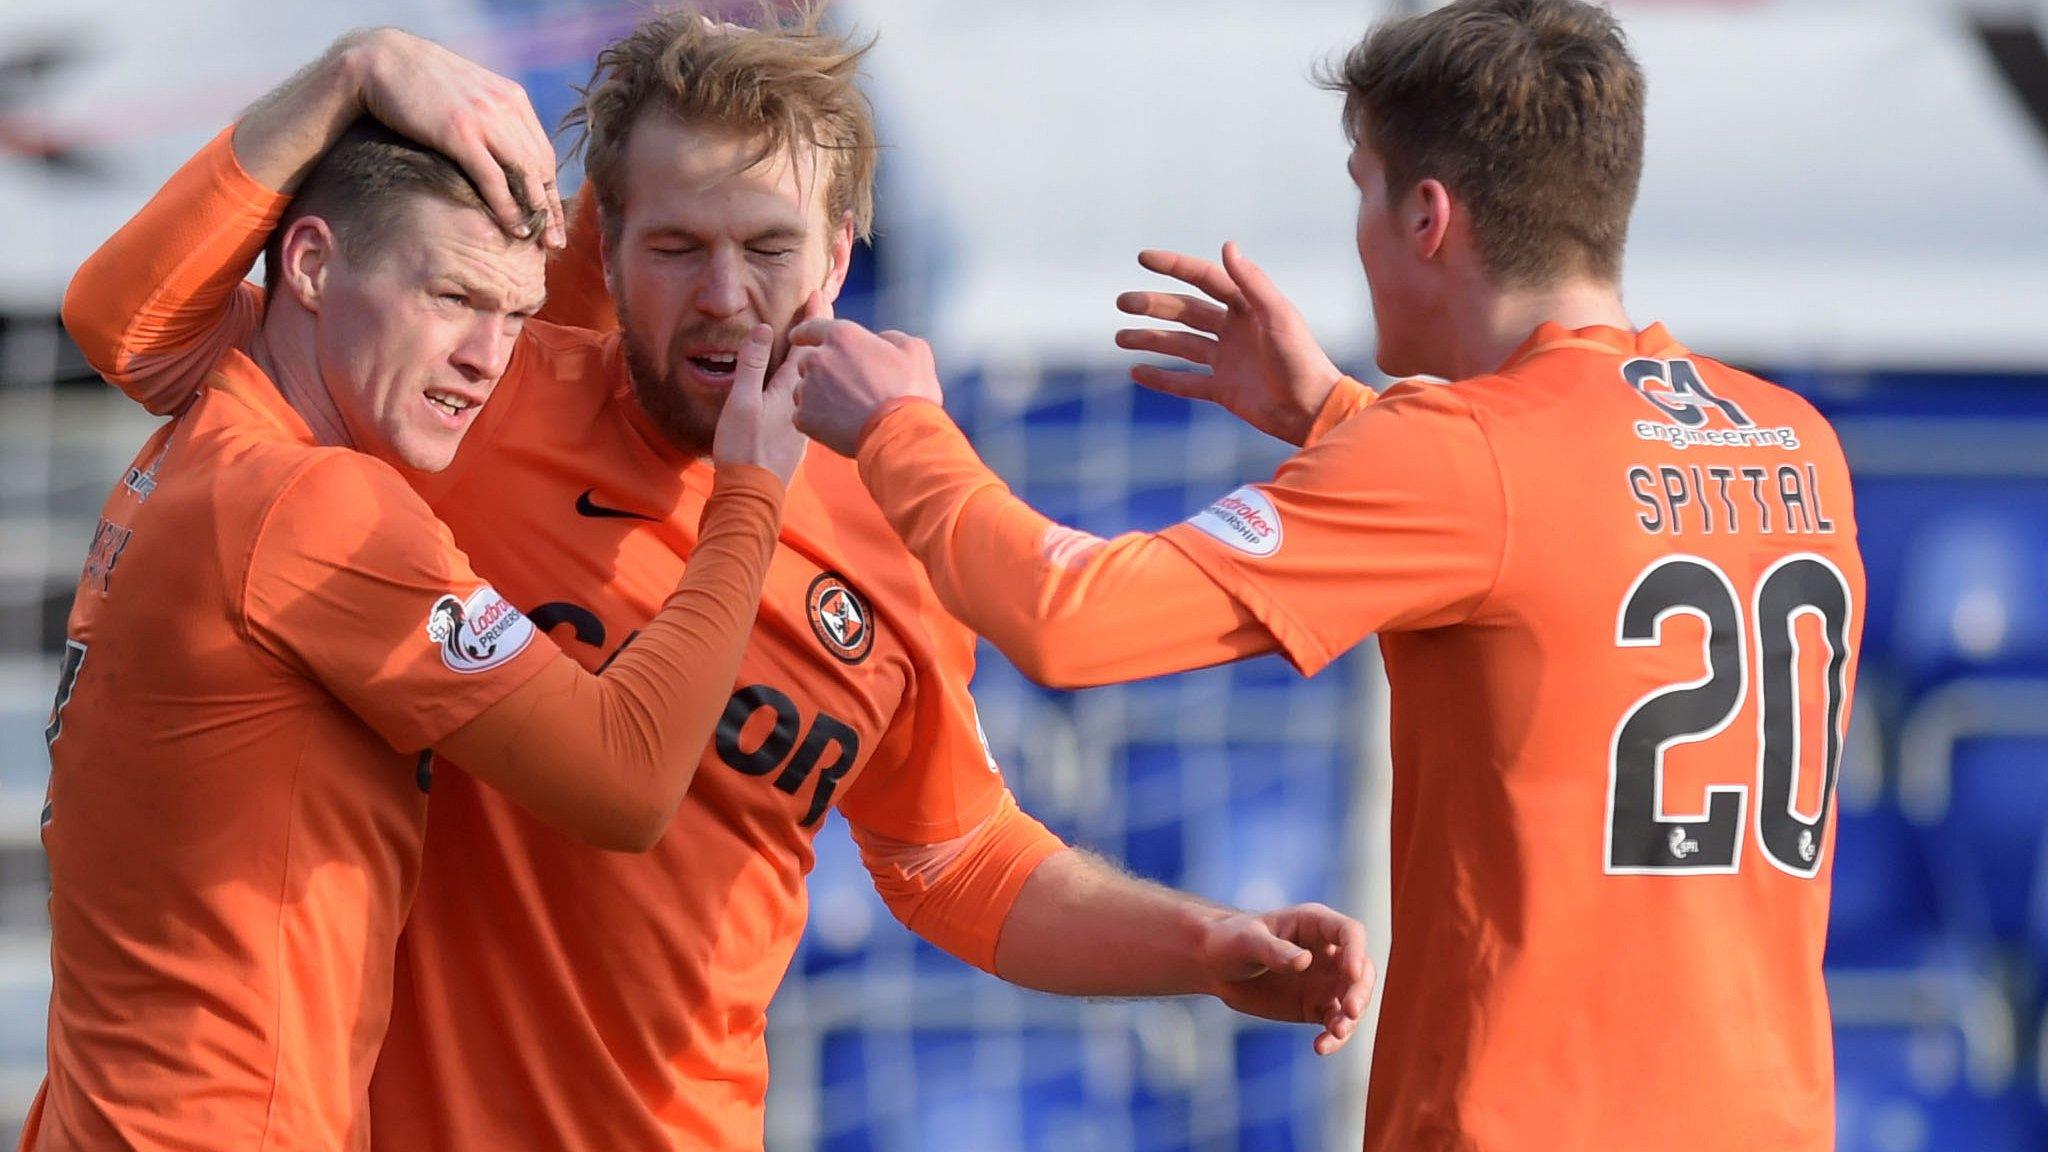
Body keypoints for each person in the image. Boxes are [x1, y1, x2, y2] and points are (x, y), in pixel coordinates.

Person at [60, 12, 1375, 1150]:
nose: (729, 297)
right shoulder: (460, 395)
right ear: (606, 246)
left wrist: (1197, 947)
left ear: (843, 251)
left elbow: (958, 856)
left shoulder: (892, 519)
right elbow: (136, 327)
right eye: (679, 247)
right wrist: (356, 71)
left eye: (768, 246)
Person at [788, 1, 1865, 1147]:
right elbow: (1555, 542)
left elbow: (1069, 620)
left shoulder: (1457, 457)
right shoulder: (1790, 437)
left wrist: (902, 431)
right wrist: (1334, 420)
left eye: (1361, 184)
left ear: (1424, 216)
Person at [29, 105, 808, 1147]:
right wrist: (749, 494)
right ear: (308, 265)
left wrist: (355, 75)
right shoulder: (320, 507)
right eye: (449, 297)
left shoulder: (218, 412)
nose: (489, 359)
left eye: (513, 315)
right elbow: (626, 780)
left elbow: (114, 312)